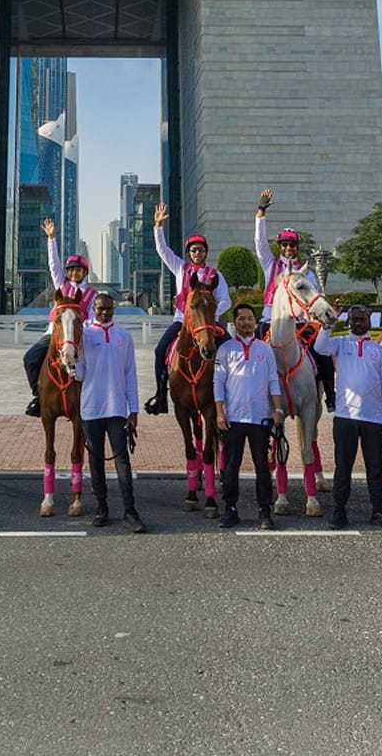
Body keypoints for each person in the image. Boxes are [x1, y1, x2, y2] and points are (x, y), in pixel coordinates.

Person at [314, 305, 382, 531]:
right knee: (343, 467)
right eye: (354, 319)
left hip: (375, 418)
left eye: (362, 319)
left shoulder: (379, 351)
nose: (358, 323)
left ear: (369, 321)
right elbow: (319, 346)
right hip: (345, 416)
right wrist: (328, 324)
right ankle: (339, 511)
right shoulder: (340, 344)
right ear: (349, 321)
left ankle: (379, 511)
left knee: (375, 468)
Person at [145, 201, 230, 416]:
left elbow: (225, 300)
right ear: (189, 253)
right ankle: (161, 395)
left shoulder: (215, 275)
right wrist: (158, 226)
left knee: (232, 349)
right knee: (159, 350)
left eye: (201, 250)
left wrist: (211, 316)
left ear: (205, 252)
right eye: (193, 250)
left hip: (209, 324)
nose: (197, 253)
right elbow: (162, 250)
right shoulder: (180, 268)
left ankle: (232, 393)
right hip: (182, 321)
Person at [254, 189, 334, 409]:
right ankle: (252, 393)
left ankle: (329, 392)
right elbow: (259, 243)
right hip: (270, 320)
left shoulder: (305, 272)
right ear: (279, 247)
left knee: (320, 351)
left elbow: (315, 295)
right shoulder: (271, 264)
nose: (288, 249)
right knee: (250, 350)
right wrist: (261, 212)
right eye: (284, 245)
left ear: (297, 247)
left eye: (292, 245)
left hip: (300, 322)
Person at [75, 293, 145, 532]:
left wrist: (133, 409)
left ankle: (130, 511)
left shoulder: (123, 337)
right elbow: (81, 373)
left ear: (114, 309)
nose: (104, 313)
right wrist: (71, 366)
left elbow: (130, 374)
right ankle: (101, 508)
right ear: (93, 309)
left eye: (108, 309)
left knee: (122, 459)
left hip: (116, 408)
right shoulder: (83, 336)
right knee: (95, 461)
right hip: (91, 408)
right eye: (100, 309)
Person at [214, 303, 282, 530]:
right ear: (236, 323)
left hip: (260, 418)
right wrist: (219, 412)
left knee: (262, 466)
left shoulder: (265, 349)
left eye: (250, 318)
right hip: (233, 418)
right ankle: (230, 509)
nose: (246, 322)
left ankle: (265, 510)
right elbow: (218, 383)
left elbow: (274, 380)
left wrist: (278, 409)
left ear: (255, 321)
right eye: (241, 319)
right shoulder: (225, 349)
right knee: (231, 466)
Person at [24, 217, 96, 417]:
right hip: (54, 334)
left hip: (79, 336)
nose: (74, 273)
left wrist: (79, 330)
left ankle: (92, 396)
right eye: (71, 270)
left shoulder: (92, 294)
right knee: (30, 358)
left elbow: (91, 317)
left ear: (85, 272)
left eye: (78, 270)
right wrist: (51, 239)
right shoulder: (60, 285)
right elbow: (53, 264)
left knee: (96, 362)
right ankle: (38, 396)